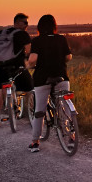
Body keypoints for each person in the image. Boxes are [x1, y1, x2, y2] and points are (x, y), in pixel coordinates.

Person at [27, 14, 72, 153]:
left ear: (40, 27)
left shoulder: (37, 41)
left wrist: (29, 64)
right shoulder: (61, 39)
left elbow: (33, 59)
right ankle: (71, 136)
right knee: (66, 107)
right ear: (54, 26)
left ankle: (35, 142)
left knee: (39, 111)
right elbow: (68, 57)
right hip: (62, 77)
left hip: (42, 79)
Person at [0, 13, 34, 129]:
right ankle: (34, 116)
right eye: (25, 22)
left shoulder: (1, 33)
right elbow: (29, 51)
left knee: (1, 91)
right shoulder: (22, 34)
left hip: (2, 68)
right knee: (31, 89)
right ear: (18, 23)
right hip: (18, 67)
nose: (27, 25)